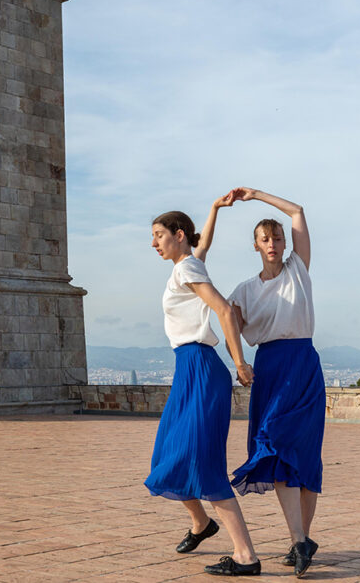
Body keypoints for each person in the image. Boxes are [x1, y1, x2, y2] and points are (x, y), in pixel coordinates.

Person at [144, 202, 261, 577]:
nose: (154, 243)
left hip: (200, 367)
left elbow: (225, 311)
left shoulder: (188, 268)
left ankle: (246, 555)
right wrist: (214, 209)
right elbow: (202, 244)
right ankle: (201, 524)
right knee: (168, 457)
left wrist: (241, 362)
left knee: (203, 464)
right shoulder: (188, 264)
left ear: (178, 236)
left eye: (158, 235)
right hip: (187, 369)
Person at [222, 187, 323, 579]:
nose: (273, 244)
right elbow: (228, 318)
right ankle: (300, 542)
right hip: (271, 367)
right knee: (273, 446)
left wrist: (256, 195)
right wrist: (238, 360)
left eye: (277, 238)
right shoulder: (245, 290)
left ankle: (302, 541)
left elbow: (297, 210)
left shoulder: (299, 268)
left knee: (305, 457)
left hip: (303, 364)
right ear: (255, 245)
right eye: (265, 239)